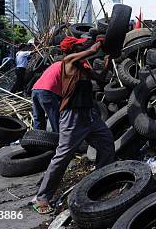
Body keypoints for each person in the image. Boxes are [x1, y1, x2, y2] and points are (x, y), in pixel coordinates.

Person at [34, 37, 115, 214]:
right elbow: (93, 50)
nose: (83, 45)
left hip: (90, 114)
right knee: (63, 156)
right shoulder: (68, 61)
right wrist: (105, 40)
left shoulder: (84, 66)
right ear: (72, 49)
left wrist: (108, 62)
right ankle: (42, 197)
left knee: (107, 144)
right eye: (79, 44)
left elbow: (100, 80)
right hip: (72, 115)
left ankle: (99, 181)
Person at [31, 60, 62, 132]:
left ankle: (38, 139)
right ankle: (58, 139)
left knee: (38, 118)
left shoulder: (55, 65)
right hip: (46, 91)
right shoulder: (67, 66)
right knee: (54, 117)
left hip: (35, 89)